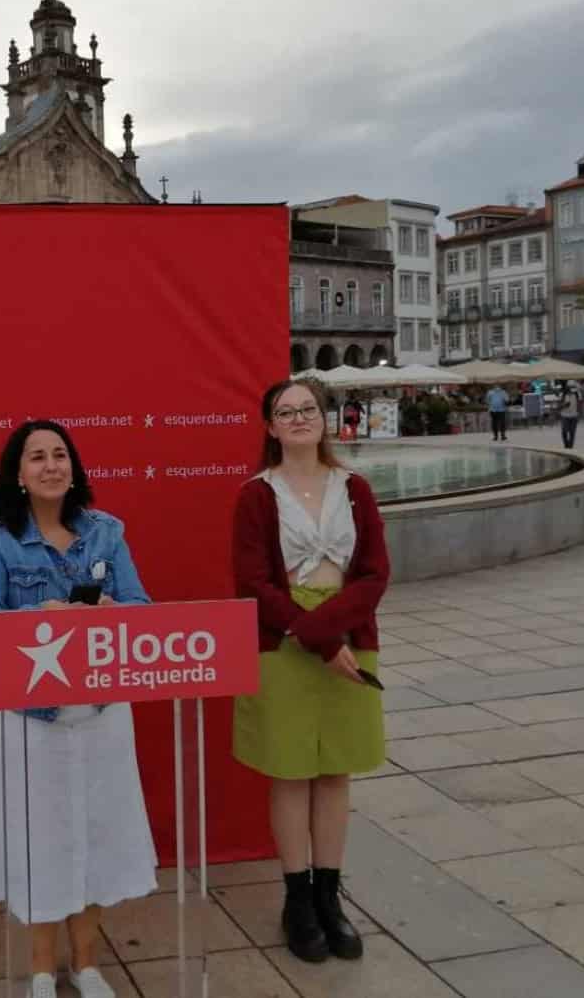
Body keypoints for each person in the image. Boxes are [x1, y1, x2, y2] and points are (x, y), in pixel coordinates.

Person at [0, 420, 157, 998]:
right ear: (19, 475)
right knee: (40, 843)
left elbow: (142, 607)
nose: (51, 465)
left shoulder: (107, 532)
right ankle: (43, 971)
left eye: (60, 455)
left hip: (100, 713)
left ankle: (88, 964)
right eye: (37, 457)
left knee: (96, 837)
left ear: (72, 468)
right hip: (31, 720)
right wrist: (39, 621)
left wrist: (104, 612)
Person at [231, 379, 389, 964]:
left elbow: (373, 573)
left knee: (336, 771)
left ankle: (330, 895)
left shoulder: (356, 489)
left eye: (308, 409)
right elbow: (253, 584)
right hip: (285, 643)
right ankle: (297, 899)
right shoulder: (256, 495)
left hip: (352, 633)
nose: (298, 418)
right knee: (292, 771)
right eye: (285, 411)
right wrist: (321, 641)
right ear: (270, 427)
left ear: (325, 420)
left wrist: (337, 630)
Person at [559, 382, 581, 449]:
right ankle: (566, 445)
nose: (570, 389)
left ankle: (570, 447)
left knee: (572, 433)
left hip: (574, 416)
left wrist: (579, 413)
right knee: (564, 432)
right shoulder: (563, 395)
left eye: (572, 387)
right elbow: (559, 406)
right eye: (569, 387)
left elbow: (579, 404)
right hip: (565, 416)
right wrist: (564, 405)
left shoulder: (576, 394)